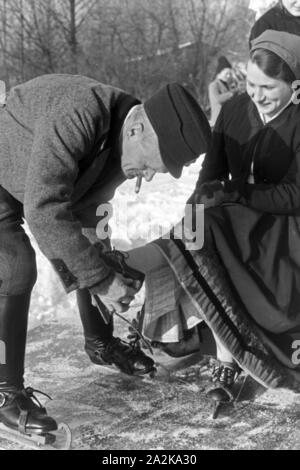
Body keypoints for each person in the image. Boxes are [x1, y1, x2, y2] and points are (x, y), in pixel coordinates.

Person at [0, 76, 211, 435]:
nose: (144, 177)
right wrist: (99, 280)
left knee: (94, 248)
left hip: (36, 184)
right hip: (4, 171)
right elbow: (44, 209)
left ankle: (99, 343)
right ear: (137, 130)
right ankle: (4, 393)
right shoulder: (78, 112)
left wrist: (105, 273)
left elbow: (87, 217)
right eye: (149, 166)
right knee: (15, 266)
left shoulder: (123, 139)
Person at [126, 30, 300, 402]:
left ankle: (227, 356)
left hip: (284, 230)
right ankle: (157, 317)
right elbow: (211, 176)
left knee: (205, 229)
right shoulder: (237, 108)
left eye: (268, 87)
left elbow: (295, 193)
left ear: (294, 84)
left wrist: (237, 193)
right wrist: (196, 205)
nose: (257, 94)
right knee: (192, 231)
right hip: (235, 220)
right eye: (251, 83)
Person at [208, 56, 238, 127]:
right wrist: (231, 93)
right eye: (226, 73)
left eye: (230, 74)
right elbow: (218, 99)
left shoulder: (227, 84)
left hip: (228, 120)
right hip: (218, 120)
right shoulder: (213, 85)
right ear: (219, 73)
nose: (228, 76)